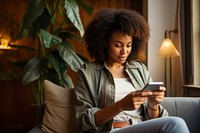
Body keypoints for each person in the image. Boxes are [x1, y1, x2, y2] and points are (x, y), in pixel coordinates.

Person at [74, 8, 190, 133]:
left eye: (128, 45)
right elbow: (84, 121)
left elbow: (154, 118)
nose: (124, 51)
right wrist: (121, 105)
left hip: (142, 127)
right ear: (105, 43)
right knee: (176, 123)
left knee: (174, 123)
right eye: (118, 45)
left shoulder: (139, 69)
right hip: (112, 130)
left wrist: (152, 105)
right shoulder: (88, 72)